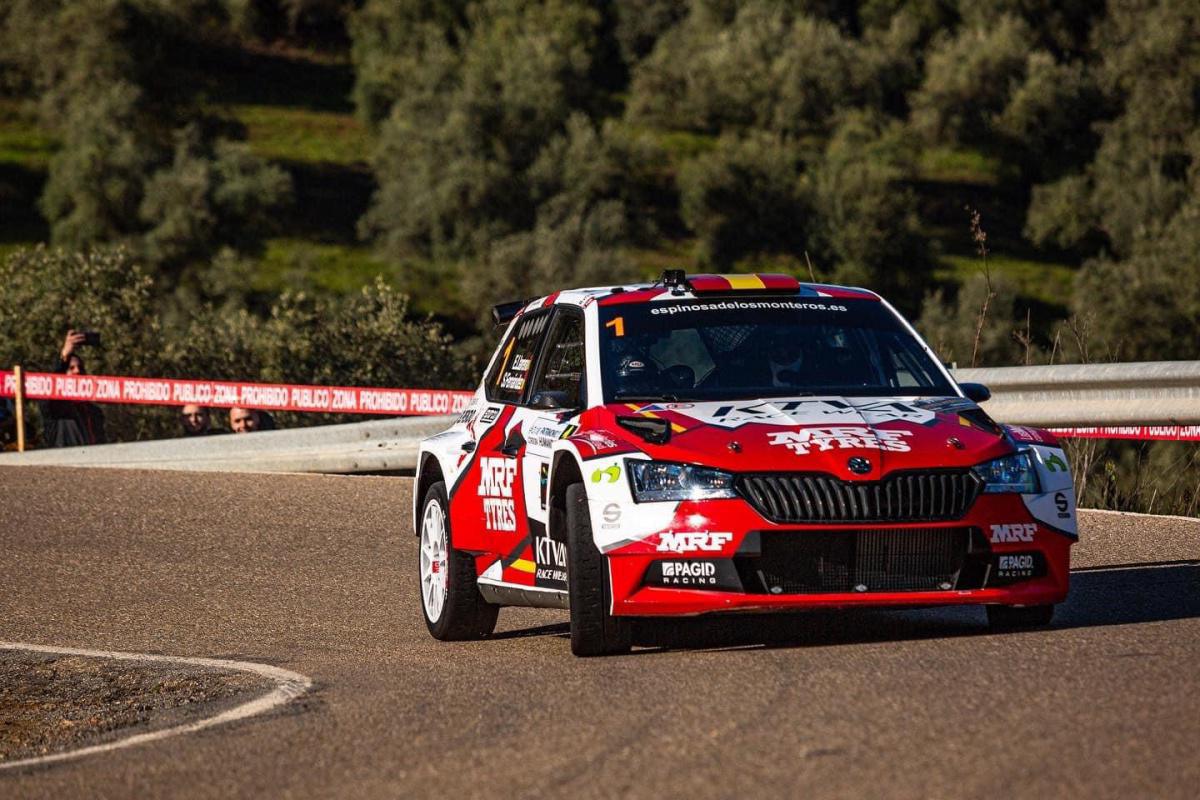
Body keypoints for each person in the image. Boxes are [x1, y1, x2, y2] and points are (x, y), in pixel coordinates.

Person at [40, 329, 106, 447]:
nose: (77, 371)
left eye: (80, 367)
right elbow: (49, 389)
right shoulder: (56, 408)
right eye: (71, 368)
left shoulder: (95, 412)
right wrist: (63, 356)